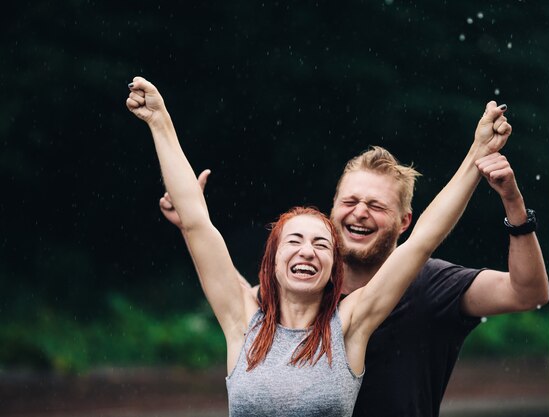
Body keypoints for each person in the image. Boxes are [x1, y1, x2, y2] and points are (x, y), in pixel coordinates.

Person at [127, 75, 513, 416]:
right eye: (294, 241)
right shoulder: (241, 320)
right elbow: (196, 222)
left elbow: (422, 239)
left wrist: (478, 153)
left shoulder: (350, 326)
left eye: (321, 245)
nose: (307, 251)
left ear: (334, 267)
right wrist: (160, 122)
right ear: (273, 260)